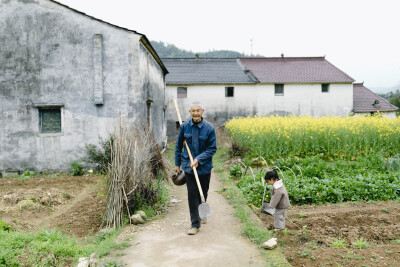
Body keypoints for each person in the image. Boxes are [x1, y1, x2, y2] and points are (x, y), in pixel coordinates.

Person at [175, 102, 217, 235]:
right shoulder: (184, 127)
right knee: (192, 195)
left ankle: (201, 212)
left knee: (203, 192)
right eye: (193, 111)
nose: (196, 113)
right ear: (190, 112)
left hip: (204, 167)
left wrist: (199, 159)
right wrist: (177, 165)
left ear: (202, 111)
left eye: (198, 110)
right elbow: (178, 146)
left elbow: (212, 148)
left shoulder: (209, 128)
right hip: (188, 167)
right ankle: (195, 224)